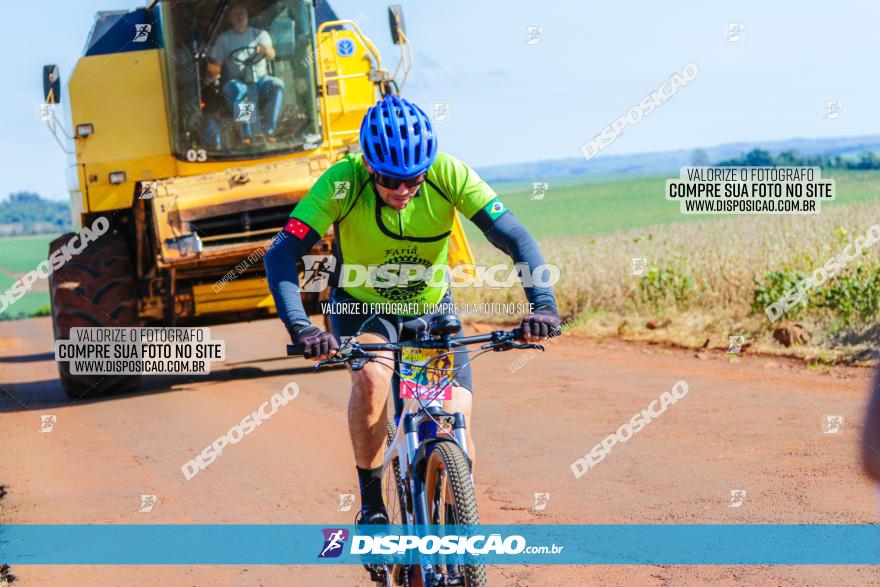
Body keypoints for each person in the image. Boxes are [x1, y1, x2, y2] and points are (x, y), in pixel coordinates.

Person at [264, 95, 561, 531]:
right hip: (362, 305)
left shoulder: (449, 173)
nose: (402, 190)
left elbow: (511, 234)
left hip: (429, 306)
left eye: (413, 179)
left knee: (455, 417)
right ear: (368, 166)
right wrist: (302, 327)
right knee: (371, 379)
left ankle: (454, 511)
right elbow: (280, 254)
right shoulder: (341, 181)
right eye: (389, 180)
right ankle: (371, 504)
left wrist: (544, 306)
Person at [208, 2, 285, 142]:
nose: (239, 17)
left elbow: (272, 54)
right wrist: (212, 73)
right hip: (239, 82)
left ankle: (269, 129)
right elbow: (216, 65)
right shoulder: (223, 39)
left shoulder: (260, 34)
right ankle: (247, 131)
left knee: (278, 85)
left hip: (261, 80)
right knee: (231, 88)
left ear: (247, 16)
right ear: (230, 19)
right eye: (235, 14)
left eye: (242, 13)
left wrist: (264, 50)